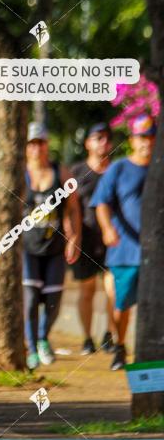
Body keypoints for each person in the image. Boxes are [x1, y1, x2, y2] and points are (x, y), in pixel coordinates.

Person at [91, 114, 157, 371]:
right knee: (121, 306)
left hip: (156, 253)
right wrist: (108, 229)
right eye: (142, 138)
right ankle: (119, 346)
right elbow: (101, 203)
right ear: (132, 140)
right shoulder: (118, 168)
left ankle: (150, 355)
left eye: (151, 137)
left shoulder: (159, 168)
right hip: (125, 252)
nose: (147, 143)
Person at [21, 123, 81, 370]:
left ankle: (44, 338)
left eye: (41, 143)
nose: (37, 148)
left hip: (55, 245)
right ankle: (32, 347)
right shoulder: (19, 173)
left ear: (47, 145)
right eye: (32, 143)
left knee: (53, 299)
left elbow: (73, 207)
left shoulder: (61, 172)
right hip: (27, 246)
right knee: (30, 298)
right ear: (26, 147)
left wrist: (74, 237)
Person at [70, 123, 117, 355]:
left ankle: (110, 335)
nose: (103, 142)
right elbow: (70, 209)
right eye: (98, 138)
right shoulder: (76, 173)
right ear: (88, 143)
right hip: (86, 240)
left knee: (113, 291)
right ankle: (87, 338)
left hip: (113, 241)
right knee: (87, 290)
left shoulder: (117, 170)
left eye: (107, 138)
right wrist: (71, 238)